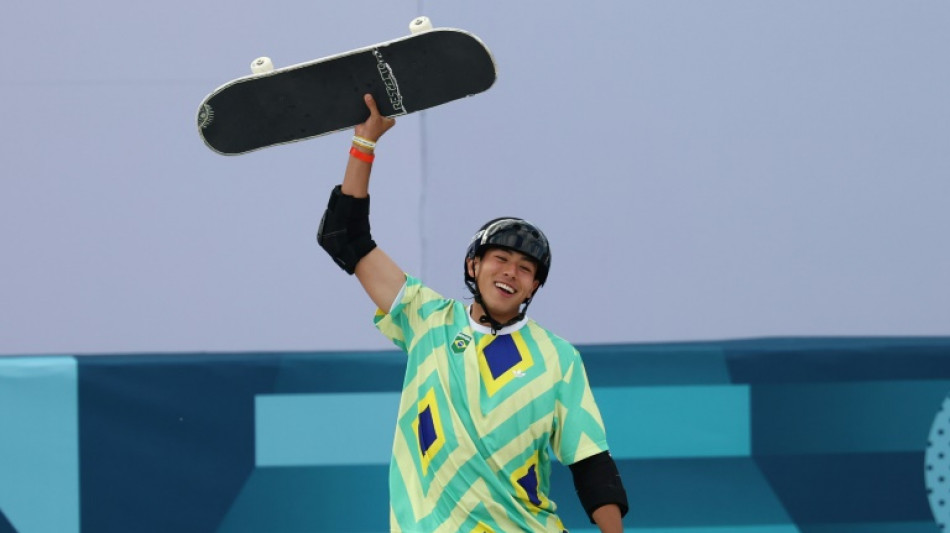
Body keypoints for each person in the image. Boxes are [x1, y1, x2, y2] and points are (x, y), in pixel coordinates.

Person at [317, 94, 628, 533]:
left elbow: (591, 461)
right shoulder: (425, 318)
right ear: (473, 266)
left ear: (534, 287)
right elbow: (343, 236)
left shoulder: (558, 358)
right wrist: (365, 142)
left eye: (526, 269)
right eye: (500, 258)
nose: (511, 273)